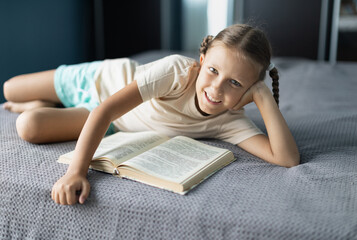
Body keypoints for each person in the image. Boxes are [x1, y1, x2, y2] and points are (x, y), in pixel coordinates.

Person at [3, 24, 300, 205]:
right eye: (213, 70)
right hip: (99, 82)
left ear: (249, 91)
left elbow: (287, 158)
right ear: (201, 60)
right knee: (9, 89)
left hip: (108, 123)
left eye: (235, 83)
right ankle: (44, 100)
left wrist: (263, 95)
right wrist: (76, 172)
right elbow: (107, 107)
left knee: (29, 126)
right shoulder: (176, 71)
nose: (216, 88)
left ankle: (43, 108)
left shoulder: (230, 121)